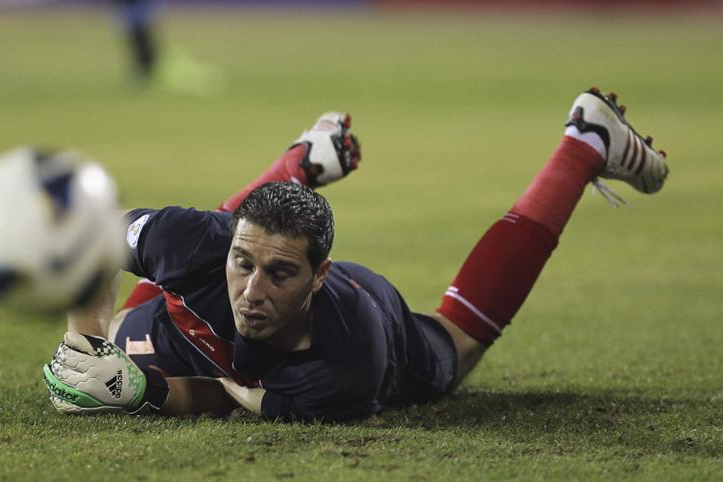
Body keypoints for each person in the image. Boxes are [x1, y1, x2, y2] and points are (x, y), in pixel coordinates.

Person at [43, 88, 669, 421]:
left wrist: (146, 393)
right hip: (208, 296)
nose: (253, 291)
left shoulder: (351, 358)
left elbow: (232, 393)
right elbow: (94, 238)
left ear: (319, 279)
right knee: (130, 327)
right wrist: (84, 347)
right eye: (243, 265)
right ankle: (297, 166)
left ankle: (584, 144)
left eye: (281, 274)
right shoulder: (199, 242)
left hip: (383, 330)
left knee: (457, 348)